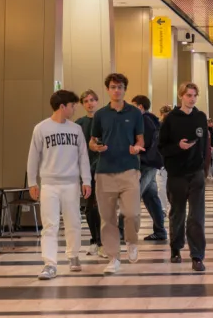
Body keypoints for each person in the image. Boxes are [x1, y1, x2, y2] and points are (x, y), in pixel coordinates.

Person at [28, 90, 92, 280]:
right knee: (50, 225)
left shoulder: (76, 129)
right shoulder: (41, 129)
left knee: (73, 222)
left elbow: (83, 157)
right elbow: (33, 157)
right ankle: (50, 263)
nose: (74, 109)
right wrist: (32, 182)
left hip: (71, 183)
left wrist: (86, 180)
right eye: (72, 106)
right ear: (62, 107)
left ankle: (73, 256)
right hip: (49, 184)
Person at [89, 73, 145, 275]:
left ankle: (131, 241)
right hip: (104, 171)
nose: (116, 90)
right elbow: (93, 140)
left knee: (132, 213)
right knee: (107, 218)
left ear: (125, 89)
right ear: (108, 89)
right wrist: (96, 147)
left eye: (120, 87)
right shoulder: (101, 114)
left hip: (129, 169)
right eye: (113, 87)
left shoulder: (135, 113)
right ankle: (113, 257)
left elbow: (141, 139)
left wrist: (137, 148)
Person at [158, 82, 210, 271]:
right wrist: (177, 148)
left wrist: (205, 169)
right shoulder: (170, 119)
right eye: (188, 95)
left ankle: (197, 255)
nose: (192, 98)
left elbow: (204, 144)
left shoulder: (201, 117)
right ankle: (176, 247)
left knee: (196, 216)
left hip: (196, 173)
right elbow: (161, 147)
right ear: (181, 96)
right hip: (176, 173)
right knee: (177, 213)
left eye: (195, 95)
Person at [128, 95, 167, 242]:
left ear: (140, 107)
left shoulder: (144, 121)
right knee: (151, 197)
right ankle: (160, 231)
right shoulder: (153, 120)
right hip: (152, 163)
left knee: (132, 195)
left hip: (146, 164)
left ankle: (120, 229)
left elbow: (144, 143)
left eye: (133, 106)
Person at [75, 90, 106, 259]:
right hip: (86, 169)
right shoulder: (79, 124)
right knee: (90, 206)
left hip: (103, 167)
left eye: (93, 100)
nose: (90, 103)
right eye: (86, 101)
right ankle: (94, 241)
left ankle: (102, 242)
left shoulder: (104, 119)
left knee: (101, 206)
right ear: (82, 104)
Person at [157, 105, 173, 213]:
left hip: (166, 161)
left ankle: (164, 207)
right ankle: (165, 207)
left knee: (163, 186)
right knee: (164, 186)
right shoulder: (173, 126)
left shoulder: (158, 126)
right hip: (164, 161)